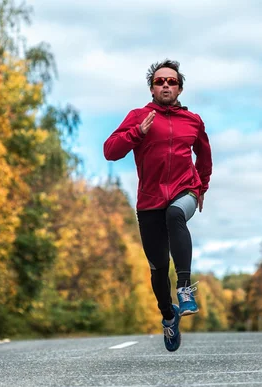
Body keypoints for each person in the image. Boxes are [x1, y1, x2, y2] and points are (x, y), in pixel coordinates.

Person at [103, 59, 212, 352]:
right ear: (152, 88)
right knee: (157, 267)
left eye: (171, 81)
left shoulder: (193, 121)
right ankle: (168, 314)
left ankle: (185, 288)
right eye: (160, 81)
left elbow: (204, 154)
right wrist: (136, 133)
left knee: (176, 215)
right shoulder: (138, 116)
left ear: (179, 88)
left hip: (184, 190)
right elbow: (110, 151)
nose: (166, 85)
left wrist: (202, 185)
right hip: (149, 200)